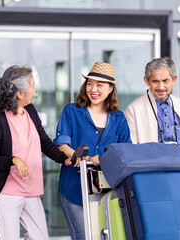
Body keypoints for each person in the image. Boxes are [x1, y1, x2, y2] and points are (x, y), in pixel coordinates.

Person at [0, 65, 70, 240]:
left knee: (40, 237)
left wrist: (63, 158)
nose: (34, 89)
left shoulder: (30, 110)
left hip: (31, 190)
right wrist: (14, 160)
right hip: (7, 193)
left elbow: (44, 141)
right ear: (19, 93)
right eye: (32, 85)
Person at [54, 62, 131, 240]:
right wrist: (82, 158)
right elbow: (62, 144)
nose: (93, 89)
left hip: (107, 191)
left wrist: (103, 158)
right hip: (74, 189)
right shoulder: (71, 111)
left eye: (100, 85)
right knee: (83, 237)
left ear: (111, 89)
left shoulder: (119, 118)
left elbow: (125, 151)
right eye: (89, 83)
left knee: (106, 236)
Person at [124, 57, 180, 177]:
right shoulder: (133, 109)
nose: (161, 87)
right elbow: (132, 152)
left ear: (174, 80)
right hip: (152, 177)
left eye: (165, 81)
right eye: (155, 81)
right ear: (147, 81)